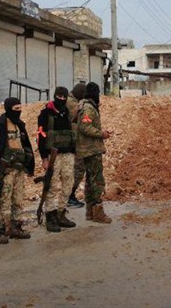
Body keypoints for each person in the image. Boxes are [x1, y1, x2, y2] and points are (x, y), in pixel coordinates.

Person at [0, 97, 35, 243]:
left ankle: (16, 226)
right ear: (8, 109)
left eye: (20, 109)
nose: (19, 112)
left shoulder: (19, 125)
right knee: (4, 200)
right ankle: (1, 230)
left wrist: (29, 165)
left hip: (19, 169)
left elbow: (26, 145)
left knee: (18, 199)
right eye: (16, 109)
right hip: (5, 170)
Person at [37, 87, 77, 232]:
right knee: (52, 186)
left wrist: (74, 151)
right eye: (59, 96)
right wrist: (44, 158)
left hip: (67, 154)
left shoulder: (66, 112)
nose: (61, 99)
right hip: (53, 155)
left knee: (68, 184)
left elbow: (71, 133)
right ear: (55, 95)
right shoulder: (45, 113)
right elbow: (40, 136)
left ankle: (61, 213)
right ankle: (50, 216)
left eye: (64, 96)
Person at [76, 82, 112, 223]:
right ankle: (97, 212)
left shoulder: (86, 106)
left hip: (89, 149)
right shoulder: (88, 107)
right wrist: (101, 134)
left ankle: (90, 212)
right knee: (96, 181)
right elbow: (85, 127)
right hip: (91, 149)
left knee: (90, 182)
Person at [67, 82, 86, 209]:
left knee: (78, 169)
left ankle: (69, 195)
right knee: (78, 169)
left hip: (74, 141)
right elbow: (80, 116)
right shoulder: (71, 102)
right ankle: (69, 196)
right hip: (73, 141)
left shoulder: (72, 100)